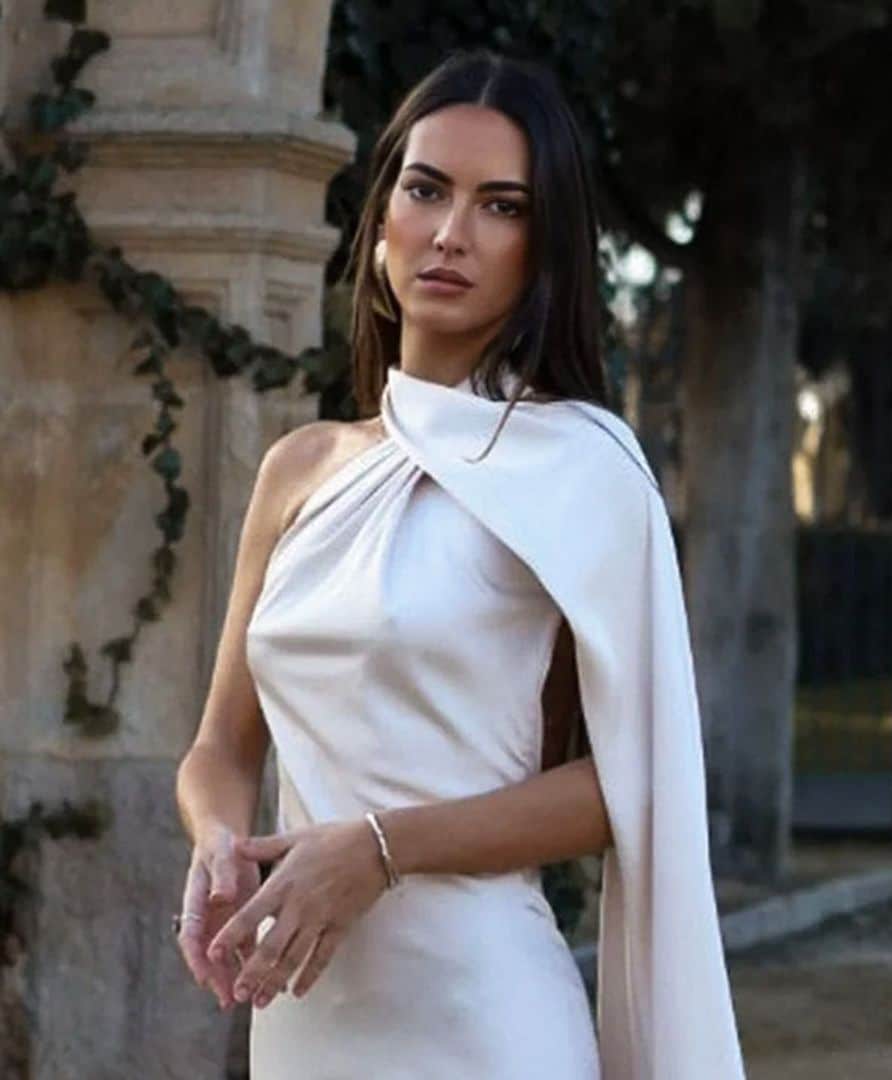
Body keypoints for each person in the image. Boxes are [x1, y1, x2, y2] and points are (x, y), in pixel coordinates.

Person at [174, 49, 744, 1079]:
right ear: (380, 222)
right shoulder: (299, 469)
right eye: (427, 190)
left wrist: (379, 848)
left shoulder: (584, 469)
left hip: (485, 1015)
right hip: (302, 1017)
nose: (451, 233)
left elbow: (633, 781)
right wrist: (218, 841)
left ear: (544, 248)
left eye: (501, 206)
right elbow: (220, 746)